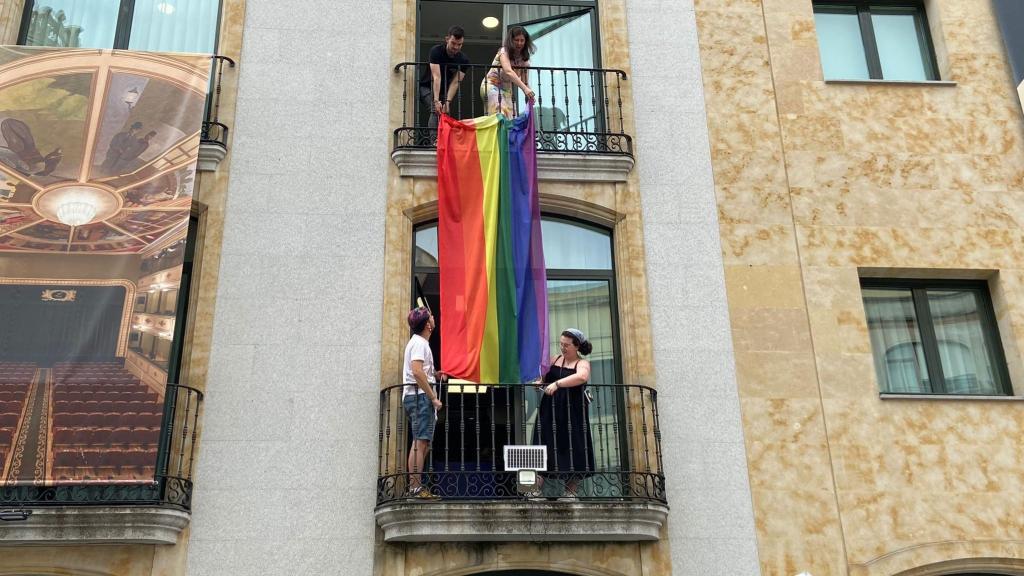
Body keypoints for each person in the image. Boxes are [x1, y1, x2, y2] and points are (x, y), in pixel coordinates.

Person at [530, 328, 595, 499]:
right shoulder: (554, 360)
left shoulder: (582, 364)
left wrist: (557, 384)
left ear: (576, 346)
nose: (563, 348)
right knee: (544, 444)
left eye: (566, 345)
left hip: (572, 412)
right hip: (549, 410)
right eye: (561, 344)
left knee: (574, 445)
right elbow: (543, 379)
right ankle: (534, 489)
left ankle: (570, 492)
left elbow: (581, 377)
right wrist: (539, 382)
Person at [403, 306, 444, 499]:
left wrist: (434, 375)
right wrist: (433, 398)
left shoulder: (417, 343)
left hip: (417, 397)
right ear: (428, 324)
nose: (434, 318)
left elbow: (421, 371)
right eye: (432, 316)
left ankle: (416, 487)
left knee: (422, 441)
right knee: (420, 442)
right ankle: (415, 488)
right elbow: (417, 371)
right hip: (420, 398)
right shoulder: (420, 343)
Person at [419, 25, 470, 141]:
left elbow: (455, 83)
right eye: (453, 43)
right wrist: (436, 100)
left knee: (445, 112)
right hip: (426, 87)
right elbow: (437, 77)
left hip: (443, 91)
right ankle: (435, 141)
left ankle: (444, 141)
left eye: (459, 44)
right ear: (447, 39)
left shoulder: (464, 60)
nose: (456, 47)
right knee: (435, 109)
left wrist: (447, 101)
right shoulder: (436, 51)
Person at [480, 25, 536, 117]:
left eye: (522, 40)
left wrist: (530, 94)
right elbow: (508, 71)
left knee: (512, 117)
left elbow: (525, 82)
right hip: (491, 85)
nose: (519, 43)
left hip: (507, 90)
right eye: (516, 40)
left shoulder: (524, 60)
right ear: (511, 40)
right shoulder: (504, 51)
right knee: (500, 113)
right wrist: (525, 89)